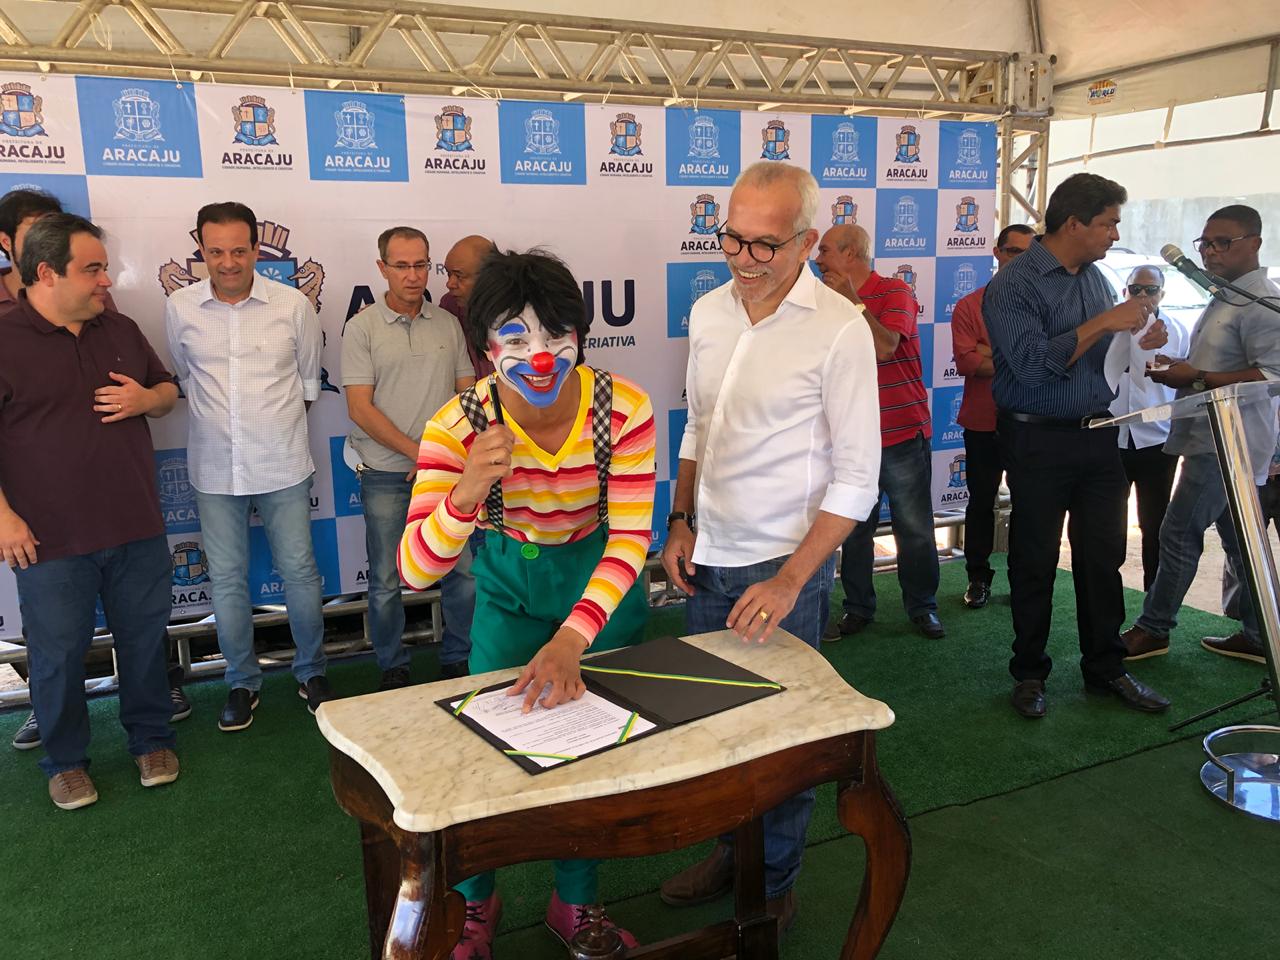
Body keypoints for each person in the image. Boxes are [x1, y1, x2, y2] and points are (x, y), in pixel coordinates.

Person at [398, 249, 656, 960]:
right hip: (509, 594)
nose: (538, 356)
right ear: (484, 348)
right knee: (487, 756)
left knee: (595, 757)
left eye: (555, 334)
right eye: (515, 338)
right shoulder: (456, 426)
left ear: (581, 334)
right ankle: (476, 905)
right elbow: (418, 569)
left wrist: (574, 637)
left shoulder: (624, 408)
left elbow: (632, 539)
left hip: (601, 595)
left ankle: (577, 901)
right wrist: (465, 492)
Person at [659, 163, 880, 936]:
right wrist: (680, 519)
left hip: (782, 572)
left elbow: (859, 478)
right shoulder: (708, 312)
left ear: (807, 241)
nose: (745, 261)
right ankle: (731, 853)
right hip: (707, 555)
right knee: (710, 727)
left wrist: (792, 580)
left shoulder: (840, 329)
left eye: (765, 245)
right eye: (732, 240)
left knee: (783, 742)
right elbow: (697, 424)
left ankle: (775, 881)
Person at [0, 213, 180, 809]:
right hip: (47, 538)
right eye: (93, 269)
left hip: (135, 524)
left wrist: (146, 398)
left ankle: (152, 739)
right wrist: (4, 517)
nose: (107, 280)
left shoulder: (121, 328)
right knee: (55, 656)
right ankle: (66, 761)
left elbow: (167, 392)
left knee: (144, 639)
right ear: (47, 273)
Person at [984, 172, 1172, 719]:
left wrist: (1137, 336)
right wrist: (1103, 323)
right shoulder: (1014, 284)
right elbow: (1034, 367)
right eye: (1109, 222)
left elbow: (1107, 350)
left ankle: (1107, 668)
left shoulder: (1096, 277)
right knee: (1035, 558)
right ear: (1074, 223)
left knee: (1103, 557)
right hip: (1036, 436)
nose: (1116, 234)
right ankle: (1029, 673)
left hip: (1099, 434)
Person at [165, 201, 331, 732]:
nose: (229, 262)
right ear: (202, 249)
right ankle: (241, 682)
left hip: (282, 463)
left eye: (240, 250)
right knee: (229, 581)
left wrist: (267, 428)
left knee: (300, 572)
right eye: (216, 252)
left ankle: (313, 672)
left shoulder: (292, 306)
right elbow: (185, 380)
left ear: (257, 249)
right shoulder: (180, 308)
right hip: (214, 469)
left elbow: (307, 385)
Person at [1122, 205, 1280, 665]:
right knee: (1241, 543)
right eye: (1205, 243)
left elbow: (1272, 374)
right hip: (1212, 436)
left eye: (1222, 243)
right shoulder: (1226, 296)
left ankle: (1154, 629)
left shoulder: (1259, 303)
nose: (1210, 252)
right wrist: (1184, 371)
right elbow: (1216, 368)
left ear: (1254, 242)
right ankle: (1258, 633)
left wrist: (1198, 376)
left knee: (1177, 533)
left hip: (1227, 444)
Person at [342, 226, 476, 688]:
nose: (413, 275)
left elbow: (467, 396)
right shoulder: (361, 329)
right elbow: (359, 407)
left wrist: (441, 457)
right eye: (401, 265)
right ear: (382, 269)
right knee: (384, 580)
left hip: (445, 474)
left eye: (421, 264)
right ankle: (392, 666)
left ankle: (458, 657)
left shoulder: (448, 323)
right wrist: (418, 453)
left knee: (462, 572)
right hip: (385, 473)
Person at [815, 223, 943, 639]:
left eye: (826, 251)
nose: (818, 260)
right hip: (851, 440)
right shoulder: (821, 300)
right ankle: (857, 609)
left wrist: (851, 301)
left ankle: (922, 606)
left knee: (915, 530)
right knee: (852, 532)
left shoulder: (894, 292)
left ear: (851, 254)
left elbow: (885, 345)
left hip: (901, 434)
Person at [950, 223, 1035, 608]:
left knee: (1030, 504)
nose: (1021, 260)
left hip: (1031, 422)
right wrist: (1020, 358)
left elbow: (1049, 359)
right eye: (1014, 251)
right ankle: (978, 578)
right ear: (997, 253)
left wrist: (991, 354)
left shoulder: (1042, 305)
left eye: (1029, 253)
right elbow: (968, 362)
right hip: (983, 422)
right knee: (981, 503)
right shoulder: (971, 304)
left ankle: (1023, 579)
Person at [1109, 266, 1189, 591]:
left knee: (1155, 525)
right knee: (1109, 527)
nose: (1143, 296)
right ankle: (1105, 601)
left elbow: (1187, 379)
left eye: (1150, 290)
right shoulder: (1109, 329)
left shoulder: (1178, 330)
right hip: (1112, 441)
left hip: (1157, 443)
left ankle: (1152, 607)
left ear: (1162, 294)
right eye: (1135, 289)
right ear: (1126, 291)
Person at [440, 234, 498, 379]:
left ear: (489, 276)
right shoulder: (450, 305)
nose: (450, 284)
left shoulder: (522, 313)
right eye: (448, 274)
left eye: (459, 276)